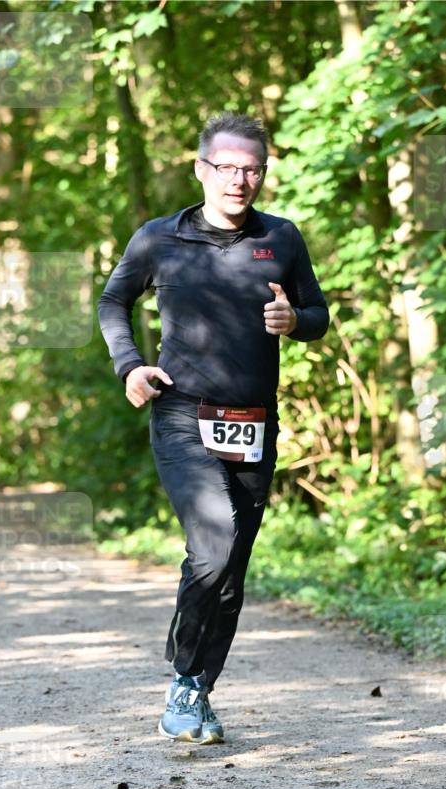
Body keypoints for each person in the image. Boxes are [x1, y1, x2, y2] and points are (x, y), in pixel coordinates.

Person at [97, 112, 329, 744]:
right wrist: (131, 365)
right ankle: (182, 681)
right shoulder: (158, 238)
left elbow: (317, 314)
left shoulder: (281, 238)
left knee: (232, 567)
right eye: (227, 167)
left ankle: (198, 688)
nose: (240, 179)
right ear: (202, 169)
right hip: (182, 411)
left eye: (252, 168)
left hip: (254, 420)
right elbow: (113, 301)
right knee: (215, 539)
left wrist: (294, 321)